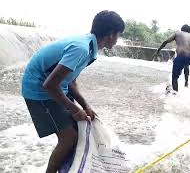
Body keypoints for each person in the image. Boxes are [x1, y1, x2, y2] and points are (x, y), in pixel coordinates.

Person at [21, 10, 125, 173]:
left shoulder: (90, 48)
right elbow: (49, 85)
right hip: (38, 90)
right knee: (68, 138)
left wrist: (85, 106)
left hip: (55, 87)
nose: (118, 40)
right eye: (118, 35)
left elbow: (70, 81)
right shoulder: (81, 48)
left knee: (80, 131)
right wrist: (75, 109)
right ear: (111, 34)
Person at [154, 24, 190, 92]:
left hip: (181, 56)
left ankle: (175, 95)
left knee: (174, 77)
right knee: (186, 65)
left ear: (182, 29)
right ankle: (186, 83)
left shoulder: (177, 33)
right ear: (189, 31)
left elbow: (166, 41)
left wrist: (158, 51)